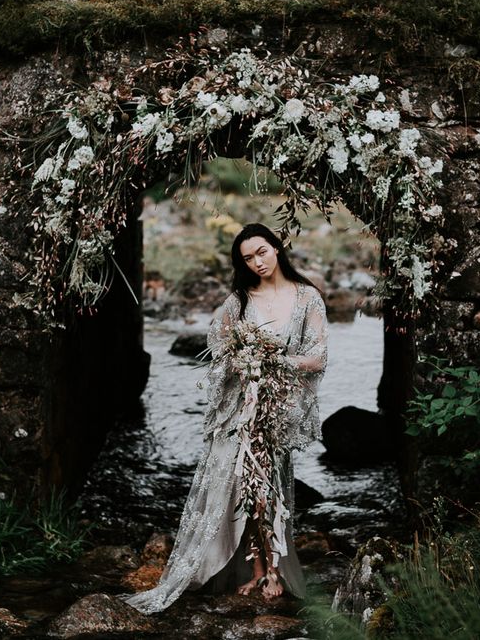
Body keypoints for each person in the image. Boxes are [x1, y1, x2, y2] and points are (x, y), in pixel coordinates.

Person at [120, 223, 328, 613]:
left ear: (276, 249)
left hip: (276, 409)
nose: (257, 262)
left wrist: (271, 362)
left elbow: (317, 357)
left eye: (262, 252)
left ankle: (273, 570)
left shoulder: (307, 298)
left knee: (266, 488)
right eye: (248, 258)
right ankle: (254, 569)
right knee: (237, 485)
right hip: (239, 408)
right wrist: (241, 360)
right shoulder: (239, 300)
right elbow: (218, 347)